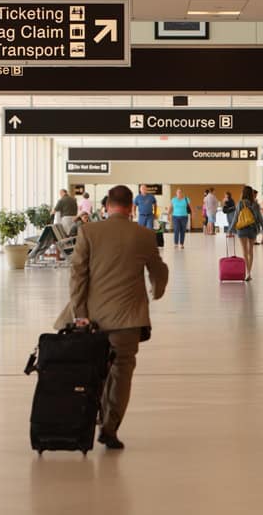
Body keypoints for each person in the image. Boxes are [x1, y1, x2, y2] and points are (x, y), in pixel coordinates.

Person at [54, 185, 168, 450]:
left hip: (92, 319)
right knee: (122, 372)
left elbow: (78, 275)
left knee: (94, 368)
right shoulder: (143, 235)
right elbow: (158, 270)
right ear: (132, 207)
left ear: (106, 206)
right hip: (128, 320)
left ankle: (90, 415)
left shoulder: (89, 232)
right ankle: (110, 426)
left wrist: (80, 313)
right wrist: (156, 290)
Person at [228, 185, 263, 281]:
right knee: (250, 251)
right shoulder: (255, 204)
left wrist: (230, 230)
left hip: (242, 229)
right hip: (253, 229)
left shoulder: (240, 203)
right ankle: (249, 272)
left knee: (244, 251)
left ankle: (247, 272)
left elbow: (236, 217)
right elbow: (260, 218)